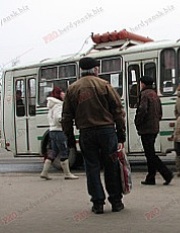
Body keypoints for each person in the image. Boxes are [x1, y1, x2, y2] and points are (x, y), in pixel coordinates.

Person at [62, 57, 126, 214]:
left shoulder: (73, 88)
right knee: (111, 166)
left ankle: (98, 203)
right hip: (107, 132)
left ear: (81, 70)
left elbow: (66, 117)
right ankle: (116, 202)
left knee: (92, 167)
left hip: (86, 133)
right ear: (95, 69)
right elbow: (118, 110)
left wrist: (70, 138)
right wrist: (121, 133)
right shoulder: (104, 85)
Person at [134, 75, 174, 185]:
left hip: (146, 129)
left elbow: (142, 109)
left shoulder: (144, 94)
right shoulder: (155, 94)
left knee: (150, 154)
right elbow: (160, 112)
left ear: (143, 84)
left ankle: (167, 174)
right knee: (150, 153)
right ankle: (151, 177)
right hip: (154, 127)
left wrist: (137, 121)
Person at [40, 87, 79, 180]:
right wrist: (66, 121)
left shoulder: (51, 105)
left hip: (52, 131)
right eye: (61, 92)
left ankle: (44, 172)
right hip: (59, 131)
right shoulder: (58, 105)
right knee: (64, 150)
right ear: (58, 94)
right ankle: (67, 173)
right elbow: (58, 118)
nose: (64, 94)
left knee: (54, 151)